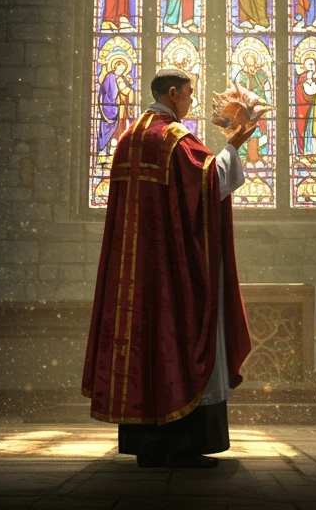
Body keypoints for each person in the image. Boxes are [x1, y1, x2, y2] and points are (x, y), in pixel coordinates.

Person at [83, 68, 256, 469]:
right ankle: (183, 445)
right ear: (173, 93)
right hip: (171, 272)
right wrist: (233, 145)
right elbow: (210, 184)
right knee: (178, 342)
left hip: (134, 274)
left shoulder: (128, 138)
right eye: (190, 93)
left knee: (143, 348)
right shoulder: (173, 139)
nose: (193, 100)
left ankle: (148, 445)